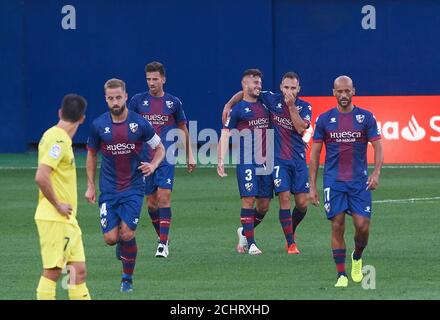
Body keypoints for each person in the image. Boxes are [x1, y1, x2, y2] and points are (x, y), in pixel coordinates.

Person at [85, 78, 165, 292]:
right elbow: (91, 155)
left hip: (133, 188)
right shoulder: (98, 125)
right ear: (105, 99)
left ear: (126, 96)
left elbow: (160, 149)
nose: (115, 102)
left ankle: (127, 279)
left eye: (118, 97)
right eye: (110, 98)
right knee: (111, 239)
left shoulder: (139, 123)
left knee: (127, 233)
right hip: (109, 190)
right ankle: (121, 243)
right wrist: (90, 185)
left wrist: (154, 165)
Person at [222, 72, 311, 254]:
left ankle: (248, 233)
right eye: (286, 87)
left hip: (298, 159)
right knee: (284, 198)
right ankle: (290, 244)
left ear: (299, 89)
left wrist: (291, 106)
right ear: (280, 87)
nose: (289, 91)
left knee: (301, 203)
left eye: (293, 88)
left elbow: (301, 128)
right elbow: (247, 92)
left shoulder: (305, 106)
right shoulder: (271, 99)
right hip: (277, 159)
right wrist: (229, 104)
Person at [309, 75, 384, 288]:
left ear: (354, 91)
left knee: (362, 227)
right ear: (333, 92)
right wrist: (312, 185)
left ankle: (357, 257)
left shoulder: (366, 117)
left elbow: (378, 146)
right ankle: (341, 274)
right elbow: (315, 154)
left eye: (347, 91)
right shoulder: (324, 120)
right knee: (337, 225)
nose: (343, 95)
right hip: (334, 182)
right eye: (339, 91)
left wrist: (376, 173)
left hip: (359, 182)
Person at [129, 61, 196, 258]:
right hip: (145, 158)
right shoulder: (137, 101)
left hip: (166, 156)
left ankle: (162, 244)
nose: (151, 82)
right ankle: (163, 238)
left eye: (155, 79)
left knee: (164, 197)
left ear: (163, 79)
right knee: (151, 203)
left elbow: (183, 128)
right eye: (148, 79)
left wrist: (189, 154)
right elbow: (129, 127)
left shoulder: (173, 102)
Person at [34, 94, 91, 300]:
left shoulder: (58, 137)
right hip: (55, 217)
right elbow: (41, 175)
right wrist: (58, 205)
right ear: (82, 118)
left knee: (77, 271)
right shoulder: (58, 139)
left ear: (60, 112)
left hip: (67, 219)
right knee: (53, 271)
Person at [218, 68, 273, 255]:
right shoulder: (238, 110)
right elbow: (225, 134)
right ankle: (251, 244)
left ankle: (244, 231)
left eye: (259, 82)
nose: (259, 85)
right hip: (246, 160)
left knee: (264, 205)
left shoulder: (266, 103)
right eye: (254, 82)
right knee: (248, 200)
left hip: (266, 160)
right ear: (244, 85)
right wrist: (221, 159)